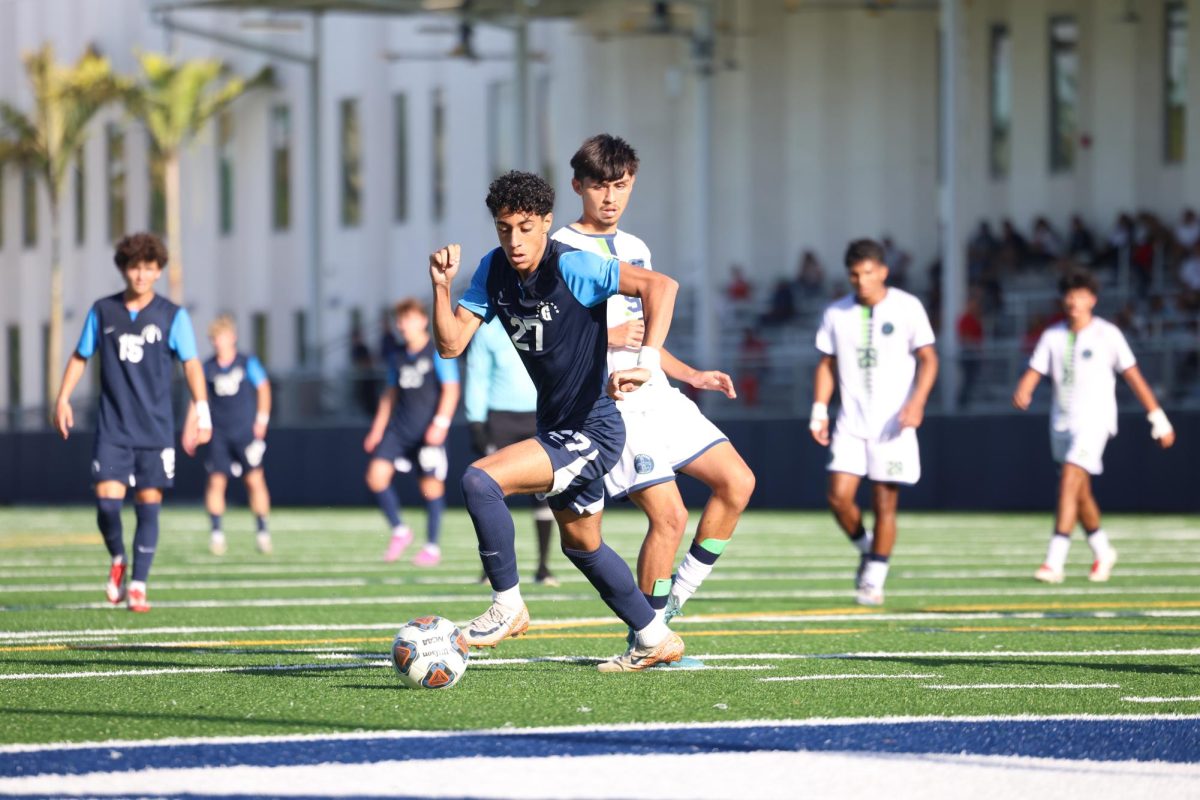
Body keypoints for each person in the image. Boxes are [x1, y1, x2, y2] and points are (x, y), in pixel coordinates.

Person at [430, 169, 684, 672]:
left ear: (547, 223)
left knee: (479, 480)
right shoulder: (493, 270)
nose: (515, 240)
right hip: (555, 426)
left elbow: (662, 286)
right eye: (505, 228)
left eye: (526, 227)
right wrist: (440, 286)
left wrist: (649, 360)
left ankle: (508, 606)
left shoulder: (575, 266)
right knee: (582, 546)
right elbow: (451, 343)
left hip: (592, 428)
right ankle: (655, 637)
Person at [552, 134, 755, 640]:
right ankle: (647, 634)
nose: (610, 197)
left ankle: (673, 600)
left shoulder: (637, 248)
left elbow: (646, 336)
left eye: (620, 186)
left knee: (738, 483)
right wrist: (605, 337)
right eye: (599, 186)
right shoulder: (559, 249)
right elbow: (546, 341)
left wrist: (691, 374)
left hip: (657, 392)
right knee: (670, 515)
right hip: (609, 401)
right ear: (578, 186)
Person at [52, 232, 210, 612]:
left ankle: (138, 583)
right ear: (124, 269)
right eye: (135, 267)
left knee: (148, 503)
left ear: (159, 271)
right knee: (107, 505)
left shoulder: (173, 316)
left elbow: (191, 363)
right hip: (113, 428)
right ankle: (118, 559)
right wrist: (62, 398)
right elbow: (79, 356)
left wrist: (201, 408)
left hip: (155, 430)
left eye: (149, 268)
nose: (141, 275)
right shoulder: (103, 311)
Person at [1012, 268, 1176, 583]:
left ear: (1093, 299)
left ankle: (1054, 560)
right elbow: (1034, 370)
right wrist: (1024, 388)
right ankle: (1103, 550)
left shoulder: (1108, 334)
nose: (1074, 301)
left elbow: (1132, 375)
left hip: (1095, 421)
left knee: (1071, 477)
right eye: (1069, 295)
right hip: (1061, 423)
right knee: (1080, 492)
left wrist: (1157, 417)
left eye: (1081, 295)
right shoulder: (1053, 335)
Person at [810, 238, 938, 606]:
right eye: (855, 274)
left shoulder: (907, 307)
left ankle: (875, 577)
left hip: (893, 424)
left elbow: (929, 359)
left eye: (868, 273)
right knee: (838, 498)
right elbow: (826, 365)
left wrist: (917, 403)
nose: (861, 280)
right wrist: (820, 410)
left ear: (882, 271)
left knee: (884, 502)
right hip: (850, 422)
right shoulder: (836, 313)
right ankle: (867, 549)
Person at [363, 299, 460, 566]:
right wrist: (377, 429)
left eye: (407, 319)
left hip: (427, 431)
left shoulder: (436, 352)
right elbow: (390, 395)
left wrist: (440, 424)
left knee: (430, 488)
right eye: (399, 320)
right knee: (375, 477)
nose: (401, 325)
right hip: (399, 430)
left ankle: (431, 546)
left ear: (422, 320)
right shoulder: (397, 355)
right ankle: (400, 531)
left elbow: (451, 389)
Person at [465, 316, 558, 586]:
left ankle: (543, 567)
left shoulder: (543, 320)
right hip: (500, 419)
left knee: (544, 495)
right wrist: (476, 423)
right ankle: (492, 569)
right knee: (489, 495)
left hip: (540, 415)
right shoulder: (488, 330)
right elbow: (477, 375)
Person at [186, 315, 272, 557]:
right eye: (213, 339)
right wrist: (191, 427)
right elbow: (197, 398)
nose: (217, 343)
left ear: (232, 338)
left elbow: (264, 387)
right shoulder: (208, 367)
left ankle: (263, 532)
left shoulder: (246, 362)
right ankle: (216, 534)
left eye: (221, 337)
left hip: (245, 432)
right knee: (216, 482)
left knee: (255, 480)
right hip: (219, 433)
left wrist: (262, 420)